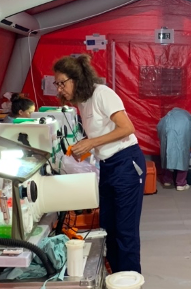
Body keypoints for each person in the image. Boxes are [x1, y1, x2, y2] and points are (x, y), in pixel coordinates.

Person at [53, 54, 146, 273]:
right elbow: (102, 132)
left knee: (125, 230)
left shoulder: (102, 94)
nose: (59, 89)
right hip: (108, 166)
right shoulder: (82, 102)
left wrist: (91, 143)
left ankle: (129, 285)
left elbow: (126, 128)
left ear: (77, 78)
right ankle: (115, 277)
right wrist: (85, 147)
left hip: (126, 163)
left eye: (62, 83)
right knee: (108, 227)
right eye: (57, 84)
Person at [157, 108, 191, 191]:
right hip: (182, 136)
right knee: (182, 158)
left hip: (167, 135)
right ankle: (181, 183)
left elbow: (159, 128)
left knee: (167, 156)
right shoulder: (187, 116)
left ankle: (167, 180)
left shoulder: (167, 116)